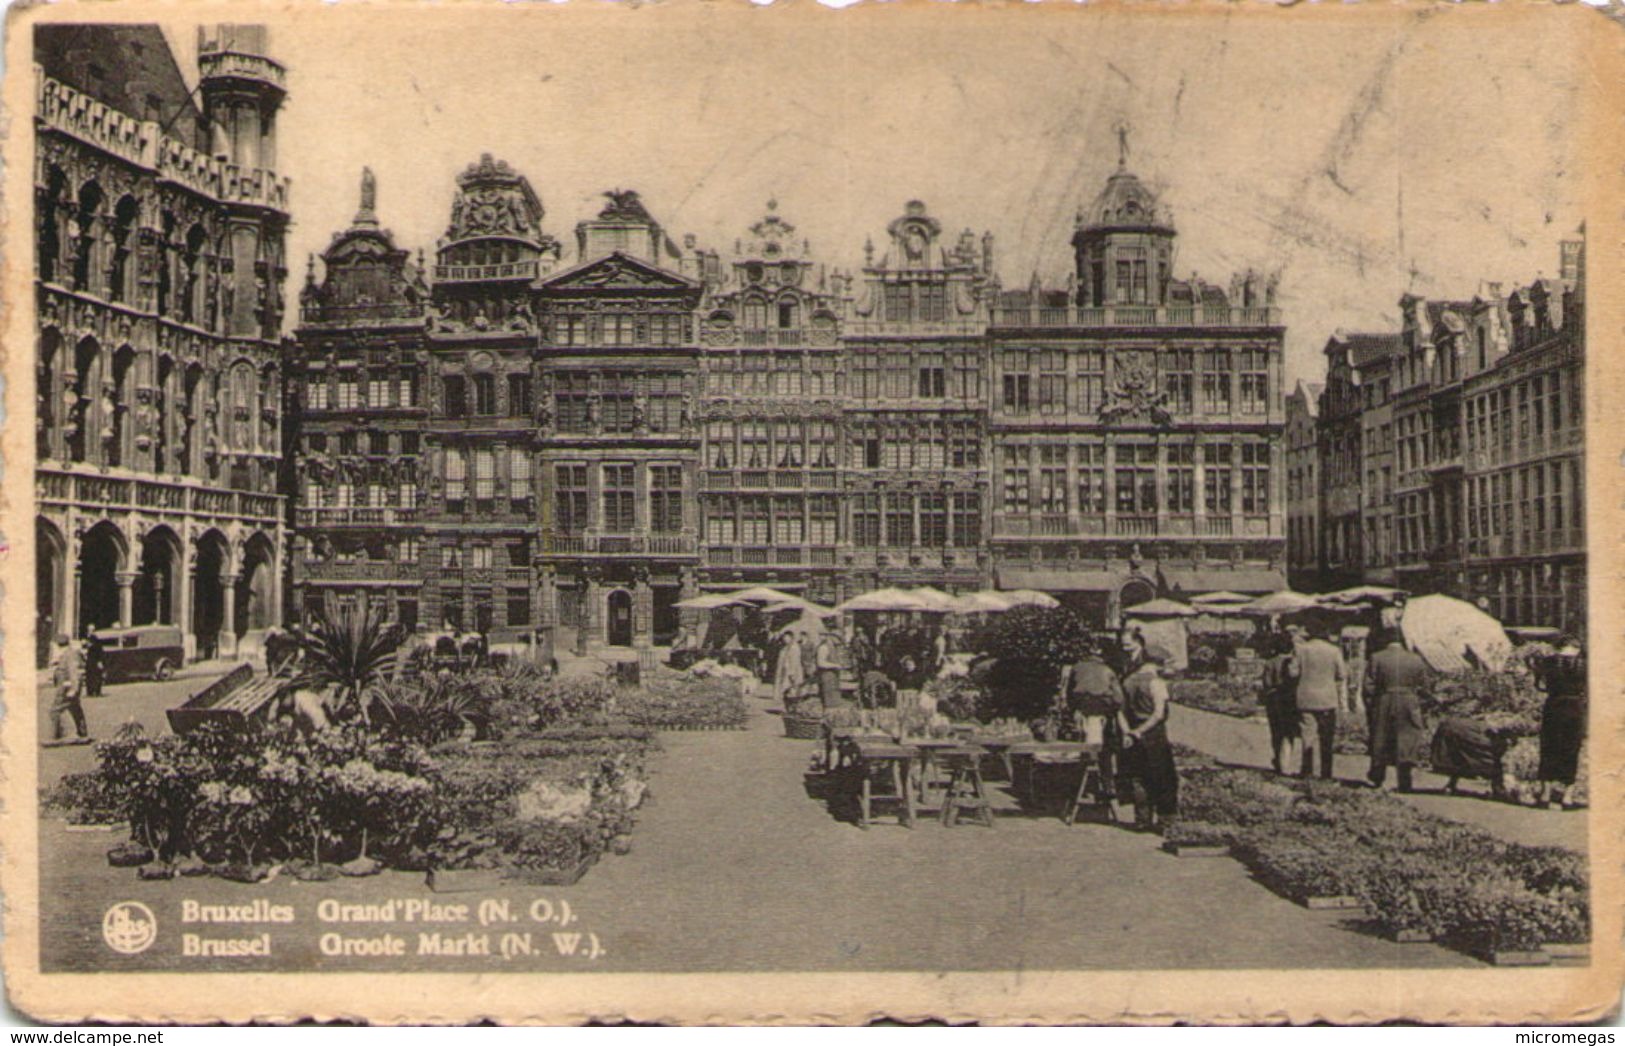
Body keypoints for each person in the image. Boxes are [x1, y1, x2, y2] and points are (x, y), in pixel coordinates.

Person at [1116, 636, 1179, 831]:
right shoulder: (1156, 683)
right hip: (1153, 734)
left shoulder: (1127, 681)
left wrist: (1128, 732)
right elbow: (1158, 714)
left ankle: (1141, 820)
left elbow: (1118, 710)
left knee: (1138, 777)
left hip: (1131, 732)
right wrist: (1140, 731)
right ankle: (1165, 822)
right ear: (1156, 664)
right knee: (1163, 777)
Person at [1365, 627, 1429, 792]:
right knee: (1407, 740)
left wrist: (1372, 706)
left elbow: (1368, 687)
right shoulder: (1416, 659)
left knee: (1381, 738)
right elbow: (1425, 687)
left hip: (1385, 700)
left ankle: (1378, 779)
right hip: (1409, 701)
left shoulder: (1377, 657)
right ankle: (1405, 781)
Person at [1060, 635, 1123, 800]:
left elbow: (1068, 694)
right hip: (1103, 711)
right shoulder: (1108, 670)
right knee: (1105, 750)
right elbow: (1119, 698)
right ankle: (1107, 785)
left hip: (1082, 711)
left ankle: (1080, 786)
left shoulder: (1077, 668)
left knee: (1081, 749)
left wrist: (1074, 709)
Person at [1290, 623, 1347, 779]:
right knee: (1327, 738)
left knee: (1307, 736)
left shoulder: (1301, 650)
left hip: (1306, 697)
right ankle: (1326, 773)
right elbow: (1341, 674)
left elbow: (1293, 673)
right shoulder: (1334, 650)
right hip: (1327, 698)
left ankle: (1307, 771)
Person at [1535, 637, 1586, 809]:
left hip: (1554, 706)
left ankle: (1545, 795)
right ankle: (1567, 797)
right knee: (1571, 749)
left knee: (1549, 748)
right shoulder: (1584, 664)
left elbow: (1539, 685)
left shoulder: (1547, 662)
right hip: (1574, 707)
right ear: (1576, 647)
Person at [1258, 622, 1298, 774]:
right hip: (1289, 698)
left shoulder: (1270, 662)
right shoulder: (1292, 661)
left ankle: (1277, 757)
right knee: (1289, 731)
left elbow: (1267, 683)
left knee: (1276, 731)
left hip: (1273, 699)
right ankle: (1285, 762)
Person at [47, 634, 89, 744]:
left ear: (58, 645)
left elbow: (74, 672)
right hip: (67, 687)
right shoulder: (66, 654)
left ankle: (57, 735)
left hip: (66, 688)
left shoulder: (69, 655)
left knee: (54, 711)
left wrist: (74, 689)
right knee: (75, 709)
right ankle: (82, 733)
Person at [814, 627, 844, 710]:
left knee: (834, 699)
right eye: (838, 638)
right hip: (826, 676)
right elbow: (821, 663)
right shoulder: (824, 647)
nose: (839, 641)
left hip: (832, 677)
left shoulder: (833, 647)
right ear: (831, 637)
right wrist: (835, 665)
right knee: (829, 700)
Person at [83, 632, 106, 698]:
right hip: (90, 664)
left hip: (95, 664)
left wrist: (100, 662)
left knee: (96, 678)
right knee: (90, 678)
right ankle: (90, 692)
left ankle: (96, 691)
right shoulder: (89, 647)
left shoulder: (97, 646)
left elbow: (101, 654)